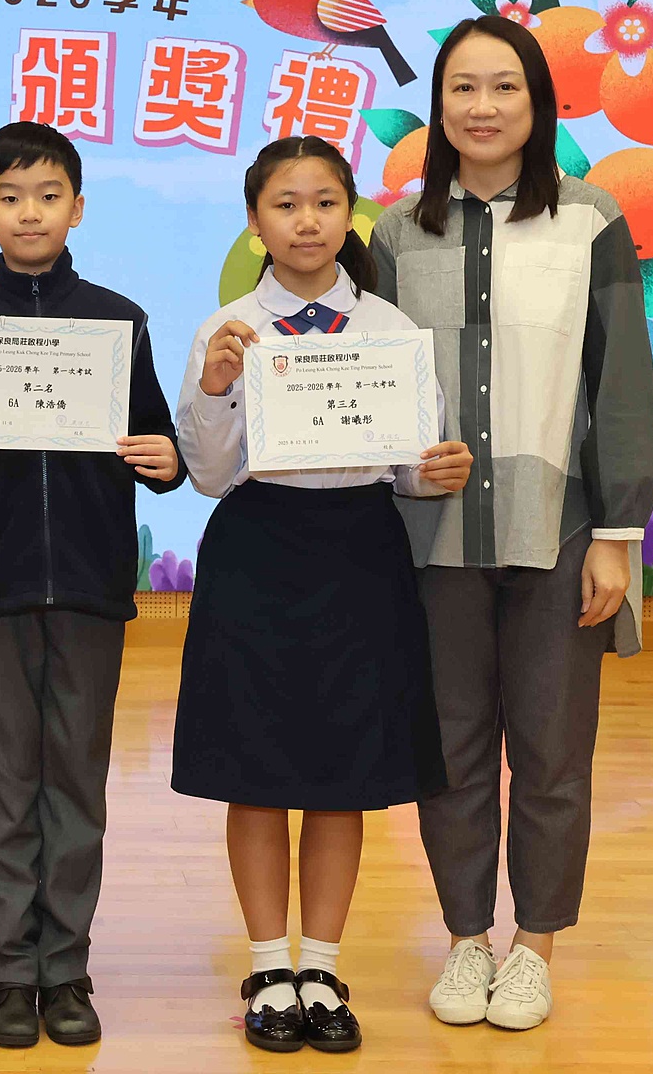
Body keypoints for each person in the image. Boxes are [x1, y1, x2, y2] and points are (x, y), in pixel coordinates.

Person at [370, 15, 653, 1031]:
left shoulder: (590, 219)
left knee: (552, 755)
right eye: (463, 87)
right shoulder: (397, 233)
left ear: (538, 102)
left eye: (504, 87)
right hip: (433, 539)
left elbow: (622, 382)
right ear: (438, 104)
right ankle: (465, 939)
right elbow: (376, 386)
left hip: (560, 532)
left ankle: (534, 947)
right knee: (449, 752)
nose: (482, 107)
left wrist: (618, 538)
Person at [172, 136, 473, 1053]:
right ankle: (270, 965)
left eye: (325, 203)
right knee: (255, 770)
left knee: (345, 774)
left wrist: (437, 471)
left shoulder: (388, 328)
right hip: (257, 550)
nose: (307, 222)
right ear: (254, 222)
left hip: (361, 553)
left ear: (352, 216)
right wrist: (216, 387)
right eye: (286, 204)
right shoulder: (228, 328)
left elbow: (408, 468)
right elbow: (208, 475)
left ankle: (322, 967)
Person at [0, 121, 186, 1048]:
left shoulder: (118, 320)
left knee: (76, 778)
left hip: (92, 585)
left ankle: (66, 967)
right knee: (4, 779)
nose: (31, 212)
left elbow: (154, 443)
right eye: (11, 197)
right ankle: (7, 973)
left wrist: (169, 461)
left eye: (49, 195)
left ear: (78, 207)